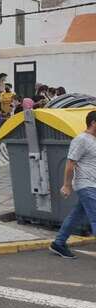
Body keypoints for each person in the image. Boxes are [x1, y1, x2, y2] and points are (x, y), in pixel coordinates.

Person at [49, 110, 96, 259]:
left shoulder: (94, 140)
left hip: (93, 185)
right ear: (93, 123)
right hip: (85, 185)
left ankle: (59, 243)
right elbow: (70, 164)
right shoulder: (81, 139)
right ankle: (59, 243)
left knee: (76, 215)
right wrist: (67, 185)